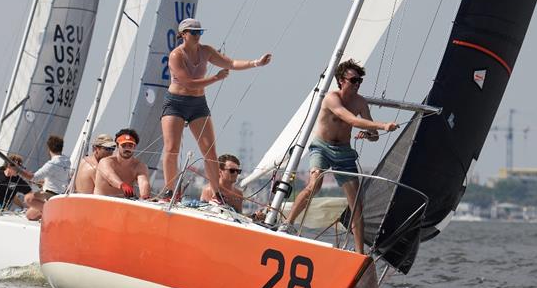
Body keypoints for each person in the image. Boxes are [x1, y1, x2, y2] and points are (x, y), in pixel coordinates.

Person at [279, 59, 399, 254]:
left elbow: (374, 137)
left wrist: (369, 133)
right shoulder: (331, 99)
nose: (357, 84)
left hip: (344, 152)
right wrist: (383, 125)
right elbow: (350, 119)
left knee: (356, 203)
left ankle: (359, 253)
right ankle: (287, 224)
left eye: (360, 80)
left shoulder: (360, 102)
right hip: (322, 147)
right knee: (314, 184)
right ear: (342, 81)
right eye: (353, 80)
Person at [161, 18, 272, 203]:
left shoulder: (206, 51)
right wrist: (215, 78)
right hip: (176, 103)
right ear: (183, 34)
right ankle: (169, 191)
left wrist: (256, 63)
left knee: (210, 152)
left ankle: (216, 193)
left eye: (200, 33)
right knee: (171, 148)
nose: (197, 36)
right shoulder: (176, 55)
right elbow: (187, 82)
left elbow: (231, 63)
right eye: (193, 33)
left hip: (198, 103)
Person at [19, 135, 72, 220]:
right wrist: (43, 182)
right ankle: (50, 212)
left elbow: (33, 177)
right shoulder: (66, 160)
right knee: (30, 215)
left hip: (51, 194)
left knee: (28, 199)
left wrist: (18, 170)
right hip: (59, 195)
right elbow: (57, 178)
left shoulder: (52, 164)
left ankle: (53, 212)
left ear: (49, 148)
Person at [94, 128, 150, 199]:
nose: (127, 148)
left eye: (130, 145)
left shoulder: (140, 166)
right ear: (117, 146)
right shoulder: (105, 162)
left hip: (122, 205)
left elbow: (144, 183)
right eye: (123, 145)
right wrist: (122, 185)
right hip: (101, 202)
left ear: (135, 147)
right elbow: (110, 176)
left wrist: (145, 196)